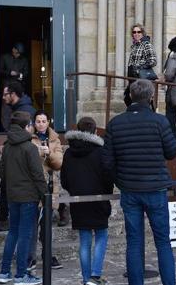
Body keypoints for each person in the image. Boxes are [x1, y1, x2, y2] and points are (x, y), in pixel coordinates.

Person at [102, 79, 176, 285]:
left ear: (131, 96)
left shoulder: (115, 123)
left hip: (130, 189)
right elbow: (172, 152)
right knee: (163, 242)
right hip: (155, 188)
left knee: (134, 242)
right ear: (151, 97)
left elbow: (107, 162)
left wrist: (121, 179)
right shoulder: (160, 121)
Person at [61, 117, 113, 285]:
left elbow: (64, 179)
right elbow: (107, 174)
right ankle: (95, 276)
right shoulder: (100, 151)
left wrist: (74, 190)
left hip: (78, 200)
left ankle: (86, 278)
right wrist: (107, 191)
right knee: (101, 235)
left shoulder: (69, 152)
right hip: (99, 199)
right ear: (95, 131)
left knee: (84, 240)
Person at [0, 111, 46, 285]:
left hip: (13, 196)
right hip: (27, 197)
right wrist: (45, 194)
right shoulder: (29, 147)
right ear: (27, 126)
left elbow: (1, 172)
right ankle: (21, 275)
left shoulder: (8, 146)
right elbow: (38, 175)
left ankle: (4, 272)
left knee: (13, 233)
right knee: (25, 235)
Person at [0, 81, 37, 233]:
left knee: (11, 183)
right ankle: (3, 218)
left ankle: (60, 207)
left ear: (13, 95)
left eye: (6, 94)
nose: (3, 97)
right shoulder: (19, 109)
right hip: (17, 151)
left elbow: (28, 133)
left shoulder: (25, 111)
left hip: (22, 153)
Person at [27, 110, 65, 271]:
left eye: (44, 121)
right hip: (33, 186)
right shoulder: (28, 139)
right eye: (38, 121)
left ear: (48, 122)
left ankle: (47, 255)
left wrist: (49, 154)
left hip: (50, 186)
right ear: (34, 123)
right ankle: (30, 257)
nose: (41, 124)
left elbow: (59, 163)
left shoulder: (55, 140)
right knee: (31, 225)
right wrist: (38, 152)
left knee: (47, 224)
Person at [125, 24, 157, 106]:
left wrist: (140, 68)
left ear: (143, 33)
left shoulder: (146, 44)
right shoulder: (134, 46)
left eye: (139, 32)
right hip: (132, 78)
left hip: (141, 79)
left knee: (141, 101)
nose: (136, 34)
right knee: (128, 99)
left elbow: (153, 60)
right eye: (134, 32)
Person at [0, 43, 29, 131]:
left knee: (20, 107)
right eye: (17, 52)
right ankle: (6, 129)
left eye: (20, 53)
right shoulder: (4, 57)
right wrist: (9, 72)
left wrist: (20, 75)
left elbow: (26, 73)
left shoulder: (24, 60)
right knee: (6, 108)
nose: (18, 54)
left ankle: (19, 128)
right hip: (7, 86)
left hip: (19, 87)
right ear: (13, 49)